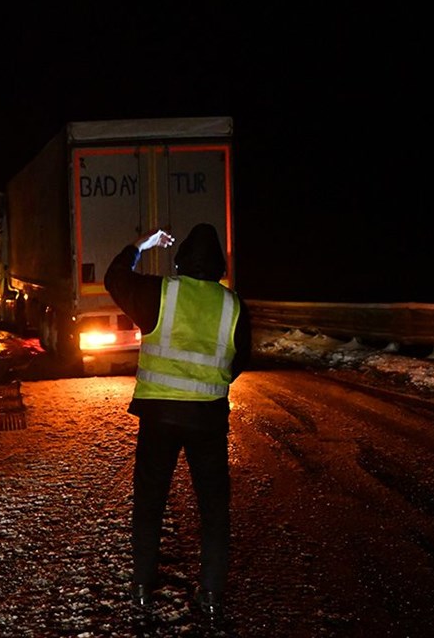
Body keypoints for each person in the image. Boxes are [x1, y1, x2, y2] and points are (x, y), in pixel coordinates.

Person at [103, 223, 251, 622]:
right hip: (207, 419)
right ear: (219, 265)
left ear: (181, 259)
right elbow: (239, 360)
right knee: (214, 509)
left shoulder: (159, 293)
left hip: (159, 417)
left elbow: (114, 277)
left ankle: (141, 587)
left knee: (150, 502)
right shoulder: (232, 305)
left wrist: (139, 244)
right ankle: (212, 594)